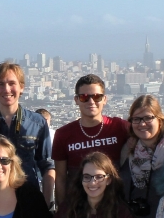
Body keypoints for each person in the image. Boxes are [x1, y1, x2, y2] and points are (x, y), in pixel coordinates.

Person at [0, 62, 55, 204]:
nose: (6, 89)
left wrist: (47, 204)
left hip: (29, 200)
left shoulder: (37, 123)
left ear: (21, 87)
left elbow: (47, 165)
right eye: (0, 84)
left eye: (12, 83)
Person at [53, 75, 130, 206]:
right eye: (84, 97)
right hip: (78, 206)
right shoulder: (63, 134)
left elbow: (146, 135)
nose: (91, 102)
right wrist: (62, 211)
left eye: (97, 97)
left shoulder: (119, 127)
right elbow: (60, 178)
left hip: (115, 205)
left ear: (104, 99)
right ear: (76, 100)